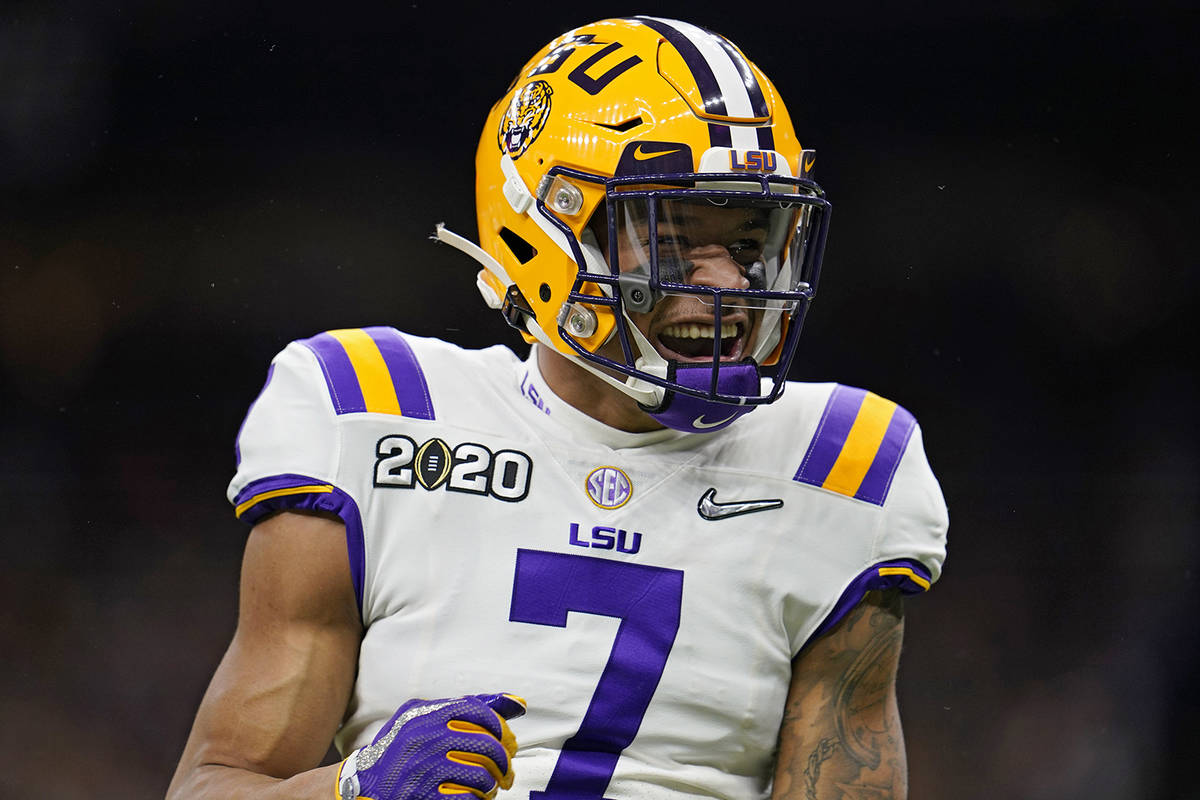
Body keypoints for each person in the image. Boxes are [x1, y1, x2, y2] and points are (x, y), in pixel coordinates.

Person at [167, 15, 947, 800]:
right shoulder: (371, 414)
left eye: (749, 243)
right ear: (545, 232)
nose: (731, 286)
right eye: (673, 241)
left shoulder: (842, 464)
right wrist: (351, 792)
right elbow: (213, 785)